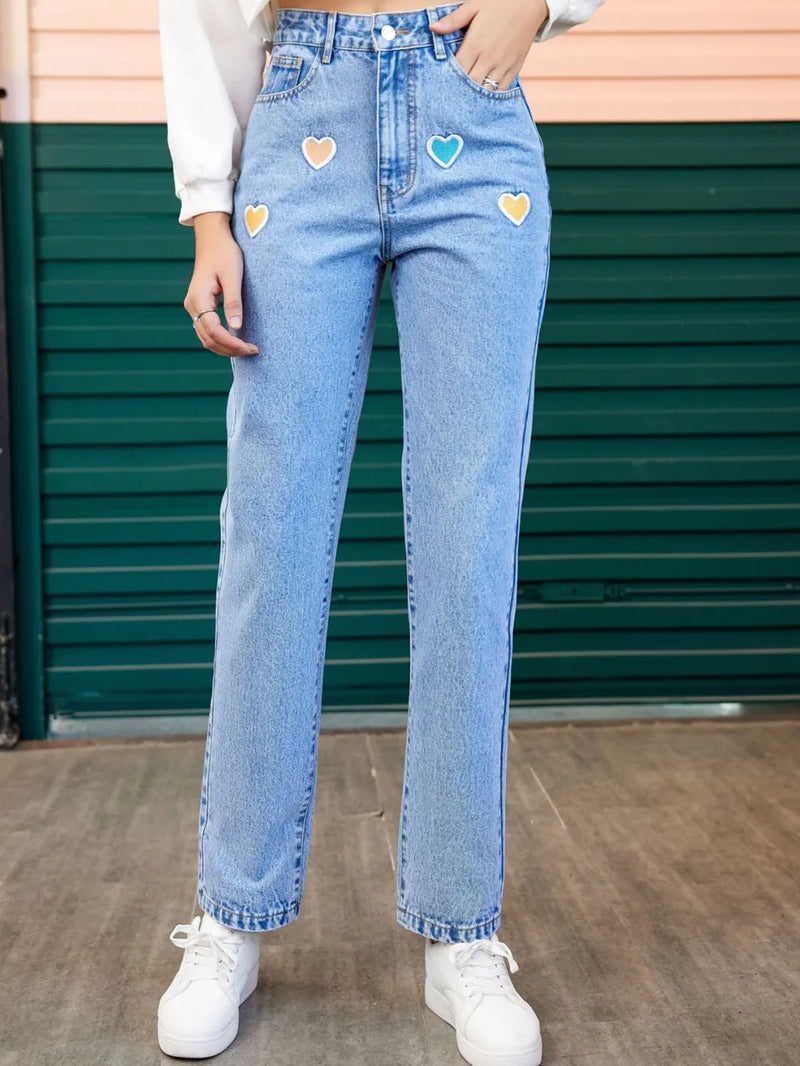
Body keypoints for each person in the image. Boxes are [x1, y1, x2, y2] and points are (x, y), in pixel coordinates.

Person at [155, 0, 605, 1062]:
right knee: (272, 532)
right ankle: (231, 914)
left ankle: (462, 934)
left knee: (468, 539)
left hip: (471, 103)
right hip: (300, 102)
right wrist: (205, 210)